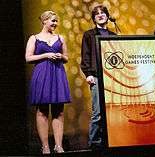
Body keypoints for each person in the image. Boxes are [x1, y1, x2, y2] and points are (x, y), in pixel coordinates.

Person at [25, 11, 71, 154]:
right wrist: (46, 55)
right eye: (53, 21)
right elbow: (28, 58)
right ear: (44, 21)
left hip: (57, 73)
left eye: (56, 21)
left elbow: (67, 58)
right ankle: (45, 146)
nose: (55, 23)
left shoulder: (60, 38)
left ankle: (58, 146)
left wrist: (61, 56)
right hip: (42, 74)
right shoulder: (34, 38)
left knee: (59, 111)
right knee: (42, 111)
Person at [80, 5, 116, 149]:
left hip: (113, 78)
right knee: (98, 112)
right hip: (96, 76)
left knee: (112, 111)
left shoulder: (113, 36)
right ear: (94, 18)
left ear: (107, 16)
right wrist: (88, 74)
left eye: (103, 13)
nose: (101, 15)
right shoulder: (89, 35)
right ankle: (94, 143)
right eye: (97, 14)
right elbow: (86, 56)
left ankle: (111, 139)